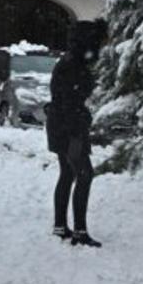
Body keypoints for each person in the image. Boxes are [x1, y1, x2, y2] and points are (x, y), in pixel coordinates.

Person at [46, 19, 106, 247]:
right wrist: (76, 133)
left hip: (61, 125)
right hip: (69, 128)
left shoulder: (70, 62)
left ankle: (61, 226)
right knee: (84, 174)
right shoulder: (73, 66)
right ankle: (79, 231)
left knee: (68, 174)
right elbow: (69, 102)